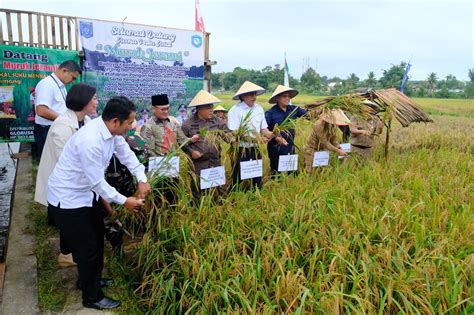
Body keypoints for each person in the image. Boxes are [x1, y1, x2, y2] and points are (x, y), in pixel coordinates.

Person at [47, 96, 151, 310]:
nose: (132, 126)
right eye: (129, 122)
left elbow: (127, 156)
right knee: (88, 249)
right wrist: (125, 201)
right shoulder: (90, 141)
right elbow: (97, 182)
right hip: (69, 200)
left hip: (85, 196)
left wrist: (142, 178)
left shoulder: (112, 132)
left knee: (95, 240)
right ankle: (91, 296)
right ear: (115, 121)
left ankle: (89, 280)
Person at [35, 83, 97, 267]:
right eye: (93, 98)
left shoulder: (84, 121)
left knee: (72, 219)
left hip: (74, 182)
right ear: (84, 101)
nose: (96, 102)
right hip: (63, 181)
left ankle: (68, 253)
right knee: (69, 218)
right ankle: (67, 254)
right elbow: (67, 160)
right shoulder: (63, 125)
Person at [140, 94, 200, 204]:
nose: (166, 111)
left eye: (167, 108)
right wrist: (162, 163)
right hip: (157, 170)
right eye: (162, 109)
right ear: (154, 108)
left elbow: (182, 140)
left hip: (172, 168)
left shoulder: (173, 123)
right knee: (158, 201)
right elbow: (147, 151)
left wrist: (191, 140)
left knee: (173, 198)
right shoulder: (148, 127)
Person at [181, 90, 231, 199]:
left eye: (212, 107)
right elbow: (181, 142)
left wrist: (233, 138)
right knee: (199, 191)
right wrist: (191, 152)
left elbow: (227, 134)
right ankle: (199, 211)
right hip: (198, 163)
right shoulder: (187, 124)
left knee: (217, 189)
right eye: (208, 108)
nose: (211, 110)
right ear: (199, 109)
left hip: (215, 161)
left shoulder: (217, 121)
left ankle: (217, 210)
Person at [227, 81, 275, 189]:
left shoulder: (259, 109)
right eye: (250, 94)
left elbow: (263, 129)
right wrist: (255, 139)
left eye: (255, 94)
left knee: (257, 178)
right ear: (243, 96)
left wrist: (271, 134)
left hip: (255, 149)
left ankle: (256, 197)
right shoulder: (235, 111)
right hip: (240, 149)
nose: (254, 97)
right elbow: (235, 133)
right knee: (237, 178)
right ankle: (233, 199)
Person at [34, 60, 81, 158]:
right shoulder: (47, 84)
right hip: (46, 130)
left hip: (56, 127)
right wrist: (65, 120)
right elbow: (41, 110)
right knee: (50, 164)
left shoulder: (60, 85)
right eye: (73, 77)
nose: (73, 81)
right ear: (64, 71)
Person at [265, 85, 308, 176]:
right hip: (276, 148)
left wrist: (321, 110)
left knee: (293, 174)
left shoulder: (294, 110)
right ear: (277, 98)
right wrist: (276, 138)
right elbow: (265, 132)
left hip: (290, 147)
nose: (287, 98)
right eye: (284, 96)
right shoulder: (270, 113)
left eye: (288, 96)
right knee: (276, 175)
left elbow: (308, 115)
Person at [304, 109, 350, 173]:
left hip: (323, 150)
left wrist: (339, 147)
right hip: (312, 149)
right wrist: (338, 151)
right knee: (310, 170)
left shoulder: (333, 124)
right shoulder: (318, 125)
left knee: (321, 170)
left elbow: (334, 138)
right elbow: (325, 143)